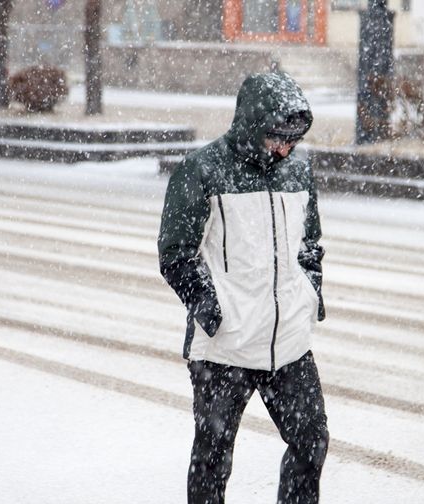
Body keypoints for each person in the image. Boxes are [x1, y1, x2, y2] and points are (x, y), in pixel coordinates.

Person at [158, 71, 329, 504]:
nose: (286, 147)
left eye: (293, 138)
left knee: (312, 442)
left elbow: (310, 244)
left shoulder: (298, 171)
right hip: (225, 346)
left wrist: (309, 293)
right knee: (213, 459)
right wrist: (212, 310)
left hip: (287, 341)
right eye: (277, 137)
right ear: (254, 125)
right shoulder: (202, 170)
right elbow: (175, 252)